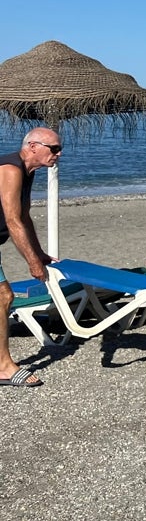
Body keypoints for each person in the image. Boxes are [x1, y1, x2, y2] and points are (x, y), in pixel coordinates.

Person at [0, 127, 63, 388]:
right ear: (33, 146)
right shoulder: (10, 169)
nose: (59, 154)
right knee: (3, 296)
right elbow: (13, 220)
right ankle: (3, 368)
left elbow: (24, 217)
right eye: (54, 148)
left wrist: (39, 253)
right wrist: (32, 263)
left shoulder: (27, 172)